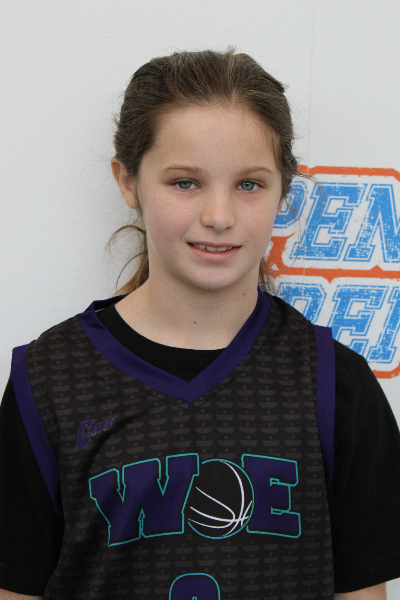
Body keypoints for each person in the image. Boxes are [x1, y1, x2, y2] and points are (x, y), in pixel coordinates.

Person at [0, 47, 399, 600]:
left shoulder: (335, 384)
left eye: (249, 184)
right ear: (127, 180)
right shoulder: (48, 381)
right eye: (185, 182)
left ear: (284, 189)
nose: (219, 215)